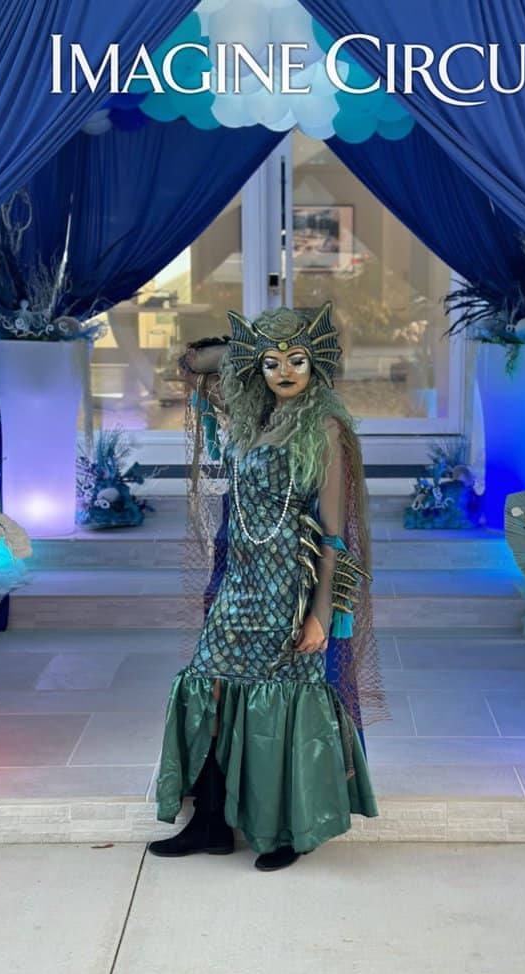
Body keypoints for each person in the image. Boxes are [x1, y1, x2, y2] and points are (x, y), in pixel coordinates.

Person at [149, 302, 386, 871]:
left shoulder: (325, 428)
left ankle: (286, 830)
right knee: (209, 689)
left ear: (316, 363)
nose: (284, 372)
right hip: (240, 583)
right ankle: (209, 823)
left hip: (291, 588)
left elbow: (334, 534)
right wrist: (255, 345)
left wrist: (321, 613)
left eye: (297, 360)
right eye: (272, 362)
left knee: (284, 705)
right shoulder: (250, 418)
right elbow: (193, 361)